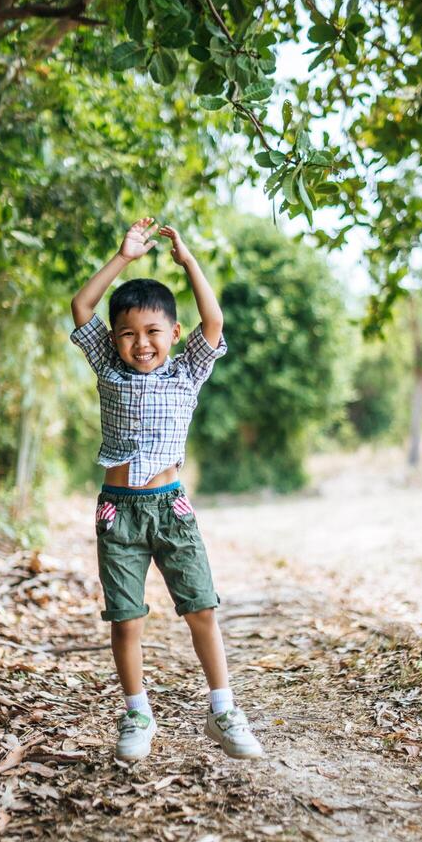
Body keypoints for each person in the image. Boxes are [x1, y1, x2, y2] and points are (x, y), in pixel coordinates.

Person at [70, 217, 263, 763]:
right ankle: (137, 712)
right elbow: (82, 307)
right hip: (119, 513)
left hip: (171, 508)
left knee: (201, 608)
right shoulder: (108, 367)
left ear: (173, 335)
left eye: (153, 331)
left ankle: (222, 708)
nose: (141, 342)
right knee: (125, 618)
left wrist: (189, 263)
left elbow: (214, 318)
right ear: (114, 340)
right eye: (128, 333)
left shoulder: (187, 373)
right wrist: (123, 257)